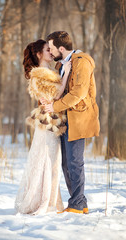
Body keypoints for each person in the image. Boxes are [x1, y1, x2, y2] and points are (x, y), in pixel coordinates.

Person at [42, 31, 100, 214]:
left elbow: (79, 93)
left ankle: (76, 204)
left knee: (75, 162)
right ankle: (79, 203)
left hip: (79, 119)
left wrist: (55, 106)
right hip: (65, 120)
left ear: (61, 47)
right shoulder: (62, 64)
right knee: (67, 164)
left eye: (51, 48)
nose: (50, 52)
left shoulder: (82, 61)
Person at [14, 39, 71, 215]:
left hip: (51, 122)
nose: (51, 52)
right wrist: (67, 73)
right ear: (39, 54)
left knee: (50, 161)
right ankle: (45, 201)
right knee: (48, 160)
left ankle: (51, 200)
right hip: (47, 124)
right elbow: (55, 93)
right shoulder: (39, 73)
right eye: (47, 50)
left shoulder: (47, 71)